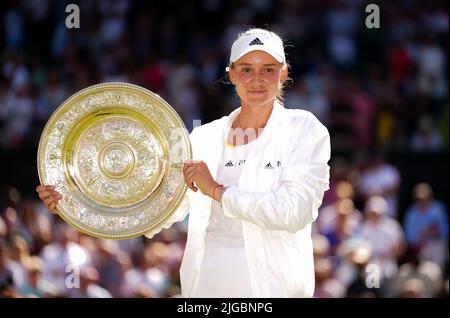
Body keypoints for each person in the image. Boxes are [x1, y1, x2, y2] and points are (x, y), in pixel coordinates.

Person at [36, 28, 331, 297]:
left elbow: (294, 211)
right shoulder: (203, 137)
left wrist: (217, 190)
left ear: (283, 74)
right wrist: (76, 203)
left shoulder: (304, 130)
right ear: (231, 75)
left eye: (268, 69)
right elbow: (161, 210)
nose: (257, 79)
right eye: (246, 69)